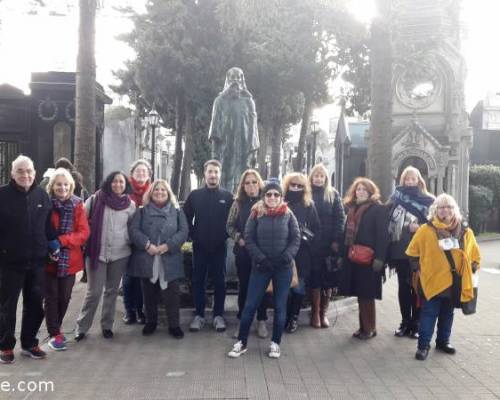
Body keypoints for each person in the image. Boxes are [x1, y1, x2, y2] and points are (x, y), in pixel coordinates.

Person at [228, 179, 300, 359]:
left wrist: (286, 257)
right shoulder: (255, 214)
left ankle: (275, 343)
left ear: (281, 197)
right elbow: (249, 238)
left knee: (280, 307)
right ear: (264, 196)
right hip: (261, 267)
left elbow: (295, 239)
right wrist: (261, 258)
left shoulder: (289, 214)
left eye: (276, 194)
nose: (272, 197)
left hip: (283, 268)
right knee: (250, 305)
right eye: (269, 194)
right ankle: (242, 343)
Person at [406, 193, 480, 361]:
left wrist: (473, 266)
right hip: (431, 280)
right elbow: (412, 252)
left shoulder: (465, 231)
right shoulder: (426, 230)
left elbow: (474, 253)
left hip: (455, 282)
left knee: (448, 313)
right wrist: (417, 269)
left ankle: (443, 342)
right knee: (428, 314)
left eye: (449, 207)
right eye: (441, 207)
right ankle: (423, 346)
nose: (445, 210)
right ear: (435, 210)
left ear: (454, 210)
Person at [0, 155, 52, 364]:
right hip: (9, 263)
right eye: (21, 171)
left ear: (35, 173)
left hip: (37, 261)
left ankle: (29, 343)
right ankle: (5, 345)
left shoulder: (42, 195)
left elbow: (48, 227)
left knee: (35, 305)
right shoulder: (2, 195)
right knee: (6, 307)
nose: (26, 175)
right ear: (12, 173)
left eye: (29, 171)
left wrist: (53, 245)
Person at [75, 171, 136, 341]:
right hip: (97, 253)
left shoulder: (130, 205)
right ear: (109, 183)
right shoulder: (95, 200)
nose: (118, 185)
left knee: (111, 291)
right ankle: (82, 327)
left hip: (120, 254)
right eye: (115, 181)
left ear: (126, 185)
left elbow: (133, 229)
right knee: (93, 292)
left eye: (121, 182)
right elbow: (80, 220)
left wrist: (128, 240)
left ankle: (107, 326)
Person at [128, 180, 188, 339]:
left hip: (170, 257)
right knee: (148, 293)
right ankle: (151, 322)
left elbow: (183, 232)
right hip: (149, 257)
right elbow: (134, 231)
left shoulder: (177, 211)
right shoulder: (142, 211)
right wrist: (147, 245)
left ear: (168, 193)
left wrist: (167, 246)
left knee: (172, 295)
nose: (160, 192)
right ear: (151, 193)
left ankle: (174, 325)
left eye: (163, 190)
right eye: (156, 190)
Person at [183, 160, 233, 332]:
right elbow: (185, 217)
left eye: (216, 172)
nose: (213, 175)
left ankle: (218, 315)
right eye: (210, 172)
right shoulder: (195, 196)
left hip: (220, 246)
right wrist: (193, 235)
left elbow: (233, 221)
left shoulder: (227, 196)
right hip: (200, 246)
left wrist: (225, 235)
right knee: (198, 281)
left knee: (220, 281)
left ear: (220, 174)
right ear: (204, 174)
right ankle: (199, 315)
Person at [44, 168, 90, 351]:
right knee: (51, 298)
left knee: (64, 297)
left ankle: (57, 327)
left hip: (69, 260)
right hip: (48, 258)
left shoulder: (78, 205)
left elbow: (84, 233)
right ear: (52, 186)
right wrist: (50, 244)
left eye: (65, 184)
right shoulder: (45, 204)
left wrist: (62, 240)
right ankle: (55, 333)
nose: (62, 188)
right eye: (58, 184)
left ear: (70, 186)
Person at [387, 166, 434, 339]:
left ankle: (417, 324)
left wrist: (420, 227)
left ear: (419, 181)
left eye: (413, 179)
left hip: (419, 252)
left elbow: (435, 224)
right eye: (407, 179)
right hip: (399, 250)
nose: (410, 182)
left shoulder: (429, 200)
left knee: (418, 288)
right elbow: (386, 218)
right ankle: (405, 323)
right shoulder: (396, 197)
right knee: (404, 288)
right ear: (402, 180)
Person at [339, 177, 389, 340]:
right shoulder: (352, 209)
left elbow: (383, 236)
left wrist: (380, 259)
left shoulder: (378, 209)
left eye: (364, 190)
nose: (360, 192)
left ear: (370, 192)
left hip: (370, 259)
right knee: (360, 294)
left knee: (367, 295)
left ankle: (369, 328)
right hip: (354, 257)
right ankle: (363, 327)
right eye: (358, 189)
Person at [227, 169, 268, 339]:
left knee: (262, 288)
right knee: (244, 287)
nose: (251, 185)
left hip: (263, 253)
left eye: (254, 182)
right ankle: (243, 321)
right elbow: (229, 226)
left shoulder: (268, 200)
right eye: (247, 183)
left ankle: (261, 320)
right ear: (243, 186)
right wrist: (238, 238)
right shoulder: (237, 203)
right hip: (244, 252)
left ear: (259, 183)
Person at [208, 67, 259, 192]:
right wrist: (214, 154)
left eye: (238, 78)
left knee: (244, 178)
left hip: (244, 147)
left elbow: (253, 127)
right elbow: (215, 127)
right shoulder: (219, 101)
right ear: (227, 80)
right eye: (232, 78)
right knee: (225, 179)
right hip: (225, 148)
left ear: (242, 80)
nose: (235, 81)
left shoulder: (249, 102)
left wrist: (254, 151)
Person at [282, 173, 320, 333]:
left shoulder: (308, 205)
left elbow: (316, 228)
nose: (296, 188)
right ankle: (284, 317)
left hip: (302, 253)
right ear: (288, 185)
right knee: (284, 287)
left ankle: (294, 318)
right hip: (283, 252)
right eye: (293, 185)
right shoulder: (281, 202)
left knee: (298, 288)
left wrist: (306, 236)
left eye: (299, 186)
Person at [308, 164, 345, 328]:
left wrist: (336, 240)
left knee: (328, 279)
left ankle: (324, 313)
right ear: (311, 177)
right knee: (315, 278)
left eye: (321, 176)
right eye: (316, 175)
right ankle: (315, 313)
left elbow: (340, 218)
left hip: (329, 244)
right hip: (312, 244)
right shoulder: (306, 194)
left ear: (326, 178)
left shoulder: (333, 194)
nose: (318, 178)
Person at [122, 159, 152, 325]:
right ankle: (129, 310)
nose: (141, 174)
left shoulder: (153, 191)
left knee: (141, 278)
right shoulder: (125, 191)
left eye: (144, 172)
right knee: (128, 279)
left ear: (148, 175)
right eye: (138, 171)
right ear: (131, 174)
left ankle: (140, 310)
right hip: (127, 241)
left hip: (145, 242)